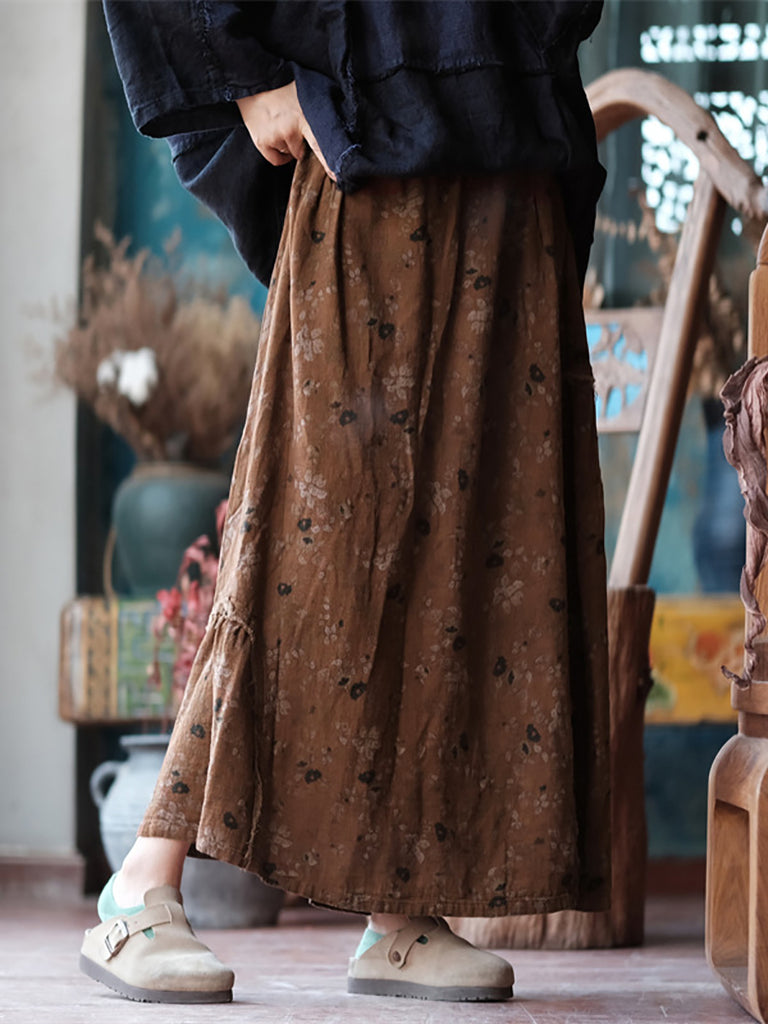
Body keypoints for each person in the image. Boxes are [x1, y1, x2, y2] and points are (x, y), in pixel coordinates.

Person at [80, 0, 610, 1005]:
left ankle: (401, 913)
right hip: (369, 146)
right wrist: (242, 79)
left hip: (518, 152)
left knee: (482, 551)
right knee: (311, 544)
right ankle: (144, 880)